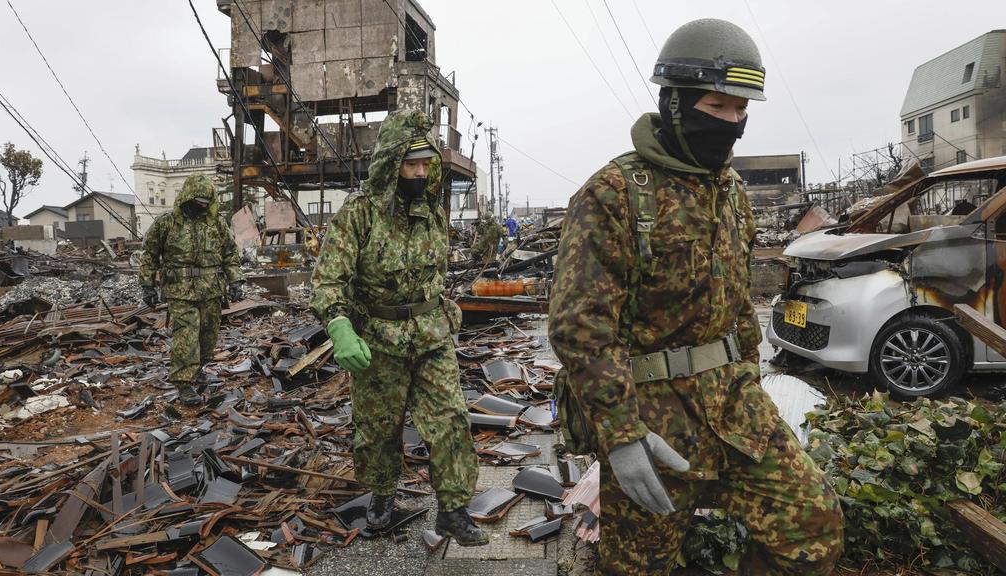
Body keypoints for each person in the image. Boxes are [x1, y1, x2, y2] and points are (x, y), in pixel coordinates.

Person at [548, 19, 844, 575]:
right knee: (643, 565)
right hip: (652, 418)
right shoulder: (611, 194)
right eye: (718, 106)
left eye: (742, 110)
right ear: (677, 103)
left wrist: (753, 383)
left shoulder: (729, 190)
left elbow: (737, 308)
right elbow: (581, 328)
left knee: (813, 529)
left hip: (735, 408)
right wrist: (621, 436)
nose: (733, 124)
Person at [310, 109, 488, 546]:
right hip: (379, 341)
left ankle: (453, 509)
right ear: (392, 164)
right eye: (413, 164)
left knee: (450, 421)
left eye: (427, 164)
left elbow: (438, 273)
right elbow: (328, 278)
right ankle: (383, 496)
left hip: (430, 337)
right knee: (379, 428)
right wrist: (339, 325)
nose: (422, 172)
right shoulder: (360, 214)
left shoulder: (432, 212)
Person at [139, 174, 243, 406]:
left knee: (208, 335)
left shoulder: (216, 223)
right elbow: (149, 255)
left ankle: (199, 369)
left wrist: (236, 280)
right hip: (180, 291)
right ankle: (184, 383)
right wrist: (147, 285)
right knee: (186, 337)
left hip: (211, 290)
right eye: (198, 200)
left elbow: (230, 254)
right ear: (187, 198)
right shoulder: (167, 222)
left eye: (206, 201)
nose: (203, 205)